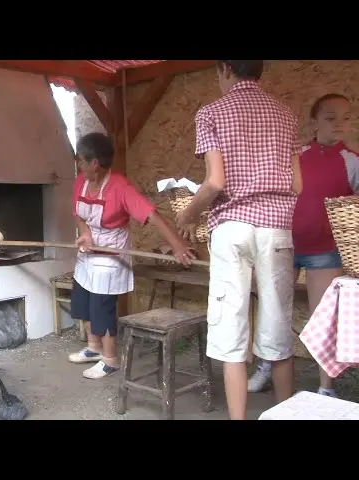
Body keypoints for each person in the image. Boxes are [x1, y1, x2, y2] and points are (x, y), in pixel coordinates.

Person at [176, 60, 303, 420]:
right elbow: (297, 186)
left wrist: (189, 214)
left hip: (232, 228)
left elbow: (215, 182)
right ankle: (284, 414)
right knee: (277, 324)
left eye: (218, 73)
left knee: (231, 330)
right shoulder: (286, 114)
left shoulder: (212, 112)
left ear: (226, 69)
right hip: (276, 227)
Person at [248, 93, 359, 397]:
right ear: (315, 121)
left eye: (346, 117)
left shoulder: (352, 160)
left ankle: (326, 388)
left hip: (326, 251)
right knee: (272, 311)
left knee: (323, 318)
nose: (339, 123)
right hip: (286, 244)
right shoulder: (296, 154)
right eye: (330, 117)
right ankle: (267, 368)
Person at [68, 132, 196, 379]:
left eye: (81, 161)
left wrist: (178, 246)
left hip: (111, 254)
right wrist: (85, 235)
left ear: (94, 162)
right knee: (83, 300)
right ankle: (93, 348)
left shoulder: (119, 187)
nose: (79, 165)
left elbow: (153, 216)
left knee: (101, 306)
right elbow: (79, 214)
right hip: (89, 251)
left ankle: (110, 359)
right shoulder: (80, 182)